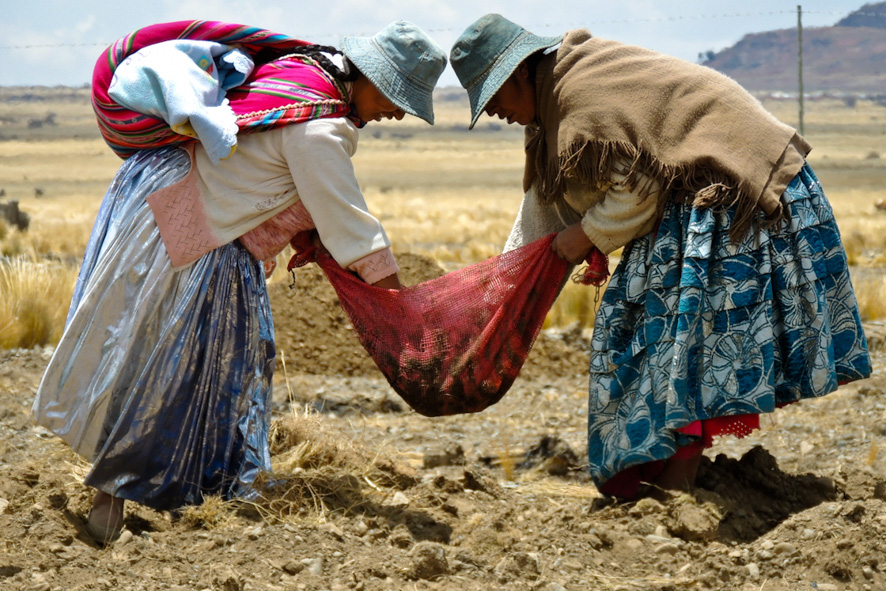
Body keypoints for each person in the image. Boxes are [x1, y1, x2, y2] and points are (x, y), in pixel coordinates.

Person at [32, 20, 447, 543]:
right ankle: (111, 507)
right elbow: (355, 231)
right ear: (374, 80)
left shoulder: (300, 76)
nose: (398, 113)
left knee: (222, 362)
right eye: (398, 99)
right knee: (166, 365)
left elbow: (273, 180)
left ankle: (200, 493)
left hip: (177, 211)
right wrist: (405, 319)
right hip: (189, 228)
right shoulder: (320, 127)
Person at [450, 14, 871, 500]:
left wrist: (582, 237)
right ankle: (658, 480)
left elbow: (639, 192)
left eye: (494, 97)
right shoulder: (553, 105)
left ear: (520, 71)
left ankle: (673, 489)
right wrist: (498, 293)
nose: (496, 111)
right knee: (640, 327)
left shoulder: (578, 100)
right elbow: (542, 211)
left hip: (736, 193)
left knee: (672, 336)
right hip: (697, 196)